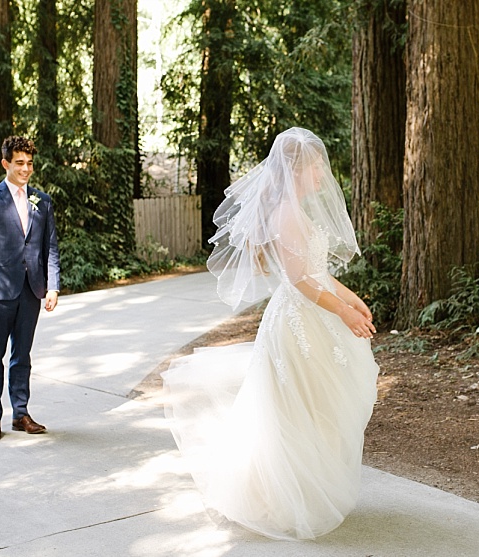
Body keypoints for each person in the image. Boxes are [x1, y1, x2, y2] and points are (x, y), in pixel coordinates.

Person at [156, 128, 380, 540]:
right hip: (298, 321)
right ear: (296, 168)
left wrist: (353, 298)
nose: (322, 175)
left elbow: (320, 272)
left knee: (314, 406)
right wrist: (345, 311)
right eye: (316, 167)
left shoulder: (298, 210)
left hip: (314, 313)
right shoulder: (287, 214)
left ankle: (308, 487)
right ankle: (280, 497)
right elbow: (300, 282)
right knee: (293, 407)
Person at [0, 135, 62, 441]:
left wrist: (53, 286)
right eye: (20, 163)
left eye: (30, 163)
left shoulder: (42, 201)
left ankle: (20, 414)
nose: (26, 169)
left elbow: (50, 247)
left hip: (30, 290)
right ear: (5, 164)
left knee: (22, 356)